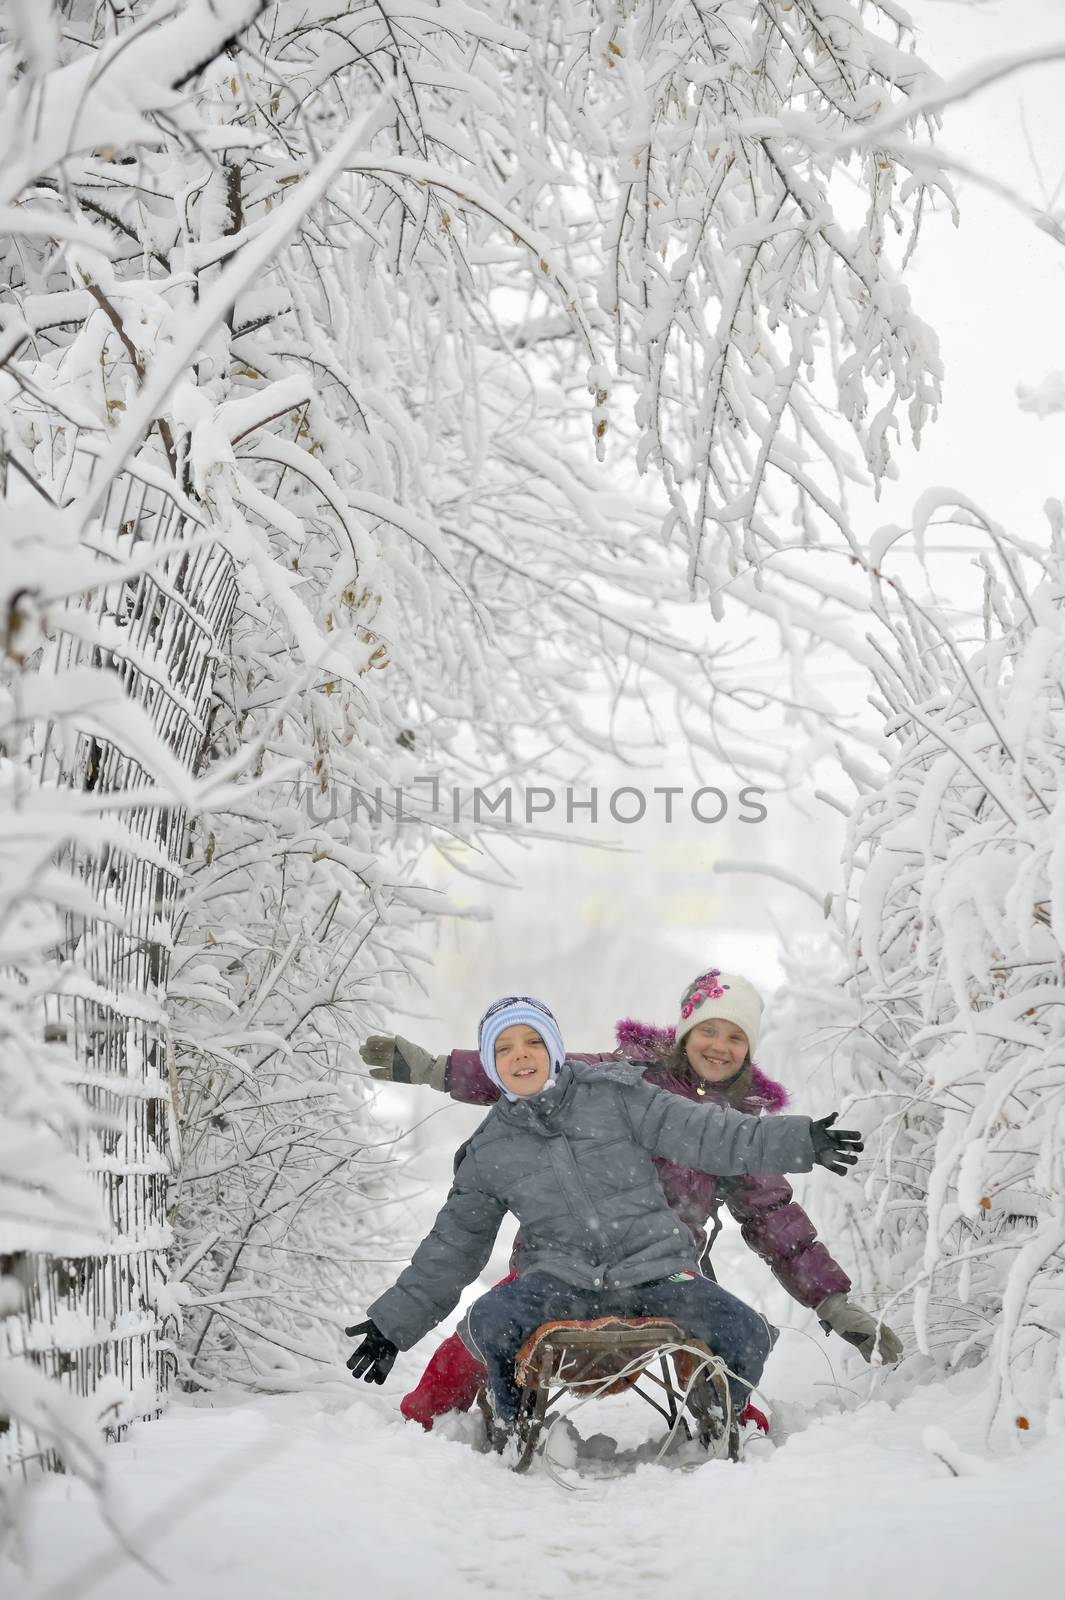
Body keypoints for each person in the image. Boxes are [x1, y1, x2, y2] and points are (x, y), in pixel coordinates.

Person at [361, 968, 902, 1432]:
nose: (718, 1045)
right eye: (707, 1029)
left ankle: (722, 1412)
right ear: (685, 1032)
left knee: (733, 1332)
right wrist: (432, 1069)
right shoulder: (622, 1081)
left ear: (749, 1050)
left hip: (662, 1265)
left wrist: (831, 1300)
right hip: (560, 1264)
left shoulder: (728, 1126)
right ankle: (444, 1420)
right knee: (478, 1333)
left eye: (734, 1036)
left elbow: (775, 1218)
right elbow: (526, 1061)